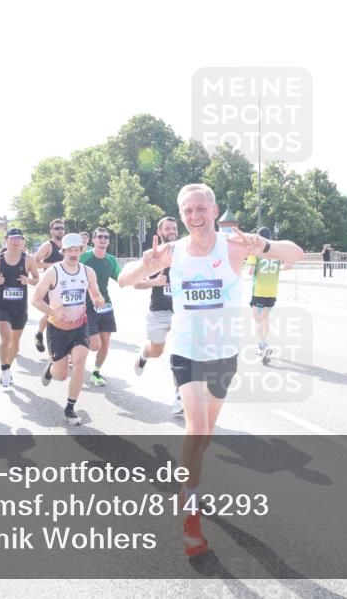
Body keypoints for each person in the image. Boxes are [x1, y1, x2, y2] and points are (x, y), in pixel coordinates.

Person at [118, 183, 304, 557]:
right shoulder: (172, 252)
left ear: (214, 211)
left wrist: (262, 244)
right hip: (186, 351)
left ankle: (188, 474)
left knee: (205, 435)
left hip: (223, 354)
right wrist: (147, 265)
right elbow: (124, 279)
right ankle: (191, 515)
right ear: (181, 215)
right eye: (187, 211)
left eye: (201, 208)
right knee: (197, 427)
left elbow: (295, 254)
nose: (195, 216)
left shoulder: (234, 246)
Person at [31, 233, 105, 425]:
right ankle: (51, 368)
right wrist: (53, 312)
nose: (73, 254)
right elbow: (35, 300)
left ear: (81, 250)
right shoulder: (53, 272)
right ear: (63, 251)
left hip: (80, 325)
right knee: (61, 375)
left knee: (80, 362)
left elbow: (96, 294)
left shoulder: (87, 272)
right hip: (57, 328)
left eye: (77, 250)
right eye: (70, 250)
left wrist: (99, 300)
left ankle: (70, 408)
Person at [132, 216, 183, 415]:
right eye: (168, 228)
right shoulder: (153, 256)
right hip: (159, 312)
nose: (172, 231)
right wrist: (155, 282)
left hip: (182, 313)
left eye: (174, 228)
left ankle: (179, 397)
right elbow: (136, 283)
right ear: (160, 232)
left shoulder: (184, 252)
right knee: (156, 351)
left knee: (181, 353)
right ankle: (143, 356)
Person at [0, 228, 41, 387]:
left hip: (19, 307)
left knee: (15, 343)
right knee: (6, 339)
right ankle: (3, 368)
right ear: (6, 240)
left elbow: (37, 279)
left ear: (23, 241)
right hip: (2, 306)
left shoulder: (28, 259)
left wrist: (28, 281)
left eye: (19, 238)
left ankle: (7, 367)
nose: (16, 241)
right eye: (13, 238)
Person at [80, 227, 122, 387]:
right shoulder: (84, 257)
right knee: (94, 345)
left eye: (106, 237)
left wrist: (142, 277)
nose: (103, 239)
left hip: (106, 305)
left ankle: (96, 373)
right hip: (86, 306)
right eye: (100, 237)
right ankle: (74, 345)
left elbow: (121, 278)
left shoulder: (111, 260)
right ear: (93, 240)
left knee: (105, 342)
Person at [247, 227, 284, 365]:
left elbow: (250, 271)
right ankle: (263, 343)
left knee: (257, 320)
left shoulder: (255, 251)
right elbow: (287, 265)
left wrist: (251, 267)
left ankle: (262, 345)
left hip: (259, 291)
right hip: (272, 291)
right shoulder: (277, 251)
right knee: (265, 318)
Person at [33, 219, 67, 352]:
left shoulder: (67, 244)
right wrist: (51, 265)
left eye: (62, 228)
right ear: (51, 231)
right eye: (57, 228)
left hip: (66, 285)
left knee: (64, 313)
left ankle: (40, 334)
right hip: (51, 285)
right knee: (52, 313)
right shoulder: (48, 245)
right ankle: (45, 338)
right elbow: (33, 263)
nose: (60, 231)